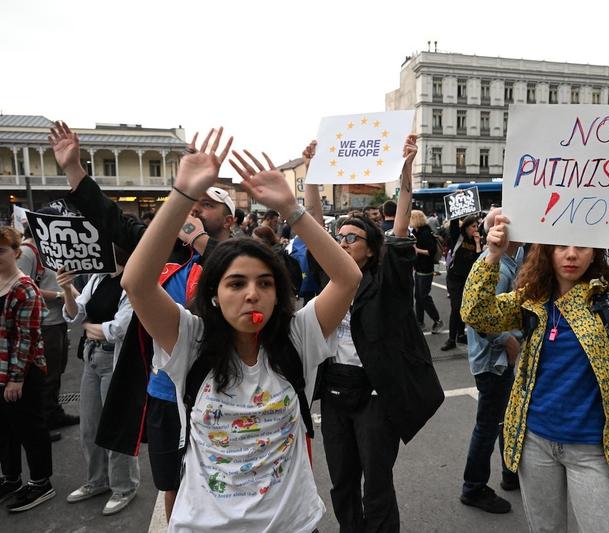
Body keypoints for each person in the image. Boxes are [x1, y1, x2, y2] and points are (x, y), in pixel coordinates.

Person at [122, 129, 362, 532]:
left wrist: (290, 207)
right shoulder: (190, 340)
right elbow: (137, 283)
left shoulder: (298, 337)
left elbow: (348, 278)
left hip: (295, 525)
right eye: (236, 284)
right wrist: (182, 194)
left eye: (265, 283)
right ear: (213, 295)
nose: (252, 294)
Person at [461, 158, 609, 533]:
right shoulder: (529, 304)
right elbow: (476, 312)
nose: (571, 254)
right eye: (561, 246)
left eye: (582, 246)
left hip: (593, 448)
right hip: (534, 442)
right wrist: (492, 255)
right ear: (547, 252)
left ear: (595, 253)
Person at [48, 120, 235, 521]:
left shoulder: (240, 258)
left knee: (221, 485)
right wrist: (74, 168)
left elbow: (236, 271)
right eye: (193, 203)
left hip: (218, 392)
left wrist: (200, 239)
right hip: (164, 391)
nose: (196, 210)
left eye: (207, 205)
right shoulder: (164, 250)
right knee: (170, 481)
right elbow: (111, 219)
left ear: (229, 219)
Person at [305, 136, 444, 532]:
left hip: (374, 396)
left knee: (377, 485)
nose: (342, 242)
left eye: (352, 238)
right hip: (335, 393)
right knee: (342, 482)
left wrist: (405, 170)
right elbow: (312, 221)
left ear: (370, 249)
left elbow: (400, 221)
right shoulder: (330, 279)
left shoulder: (389, 279)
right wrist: (312, 172)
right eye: (339, 237)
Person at [58, 252, 140, 515]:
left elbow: (117, 330)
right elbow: (75, 314)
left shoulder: (132, 280)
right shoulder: (98, 276)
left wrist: (87, 325)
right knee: (90, 426)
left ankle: (124, 486)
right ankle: (98, 480)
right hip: (91, 356)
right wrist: (67, 290)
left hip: (114, 360)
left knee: (115, 426)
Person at [460, 209, 522, 514]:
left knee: (504, 418)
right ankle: (473, 487)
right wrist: (507, 340)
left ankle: (510, 472)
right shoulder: (497, 265)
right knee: (488, 425)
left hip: (496, 360)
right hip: (492, 361)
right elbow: (479, 318)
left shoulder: (509, 260)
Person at [0, 226, 52, 512]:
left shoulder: (24, 288)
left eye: (1, 251)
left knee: (30, 428)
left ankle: (41, 482)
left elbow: (27, 338)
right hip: (1, 368)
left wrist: (16, 379)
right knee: (5, 429)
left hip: (23, 371)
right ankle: (11, 478)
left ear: (16, 252)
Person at [17, 217, 77, 440]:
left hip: (57, 320)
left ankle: (53, 413)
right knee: (46, 374)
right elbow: (23, 286)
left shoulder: (48, 250)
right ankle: (42, 423)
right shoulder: (27, 252)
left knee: (56, 371)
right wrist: (61, 295)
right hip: (44, 322)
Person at [442, 215, 482, 351]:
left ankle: (460, 334)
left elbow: (478, 261)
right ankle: (451, 339)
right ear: (466, 227)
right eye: (473, 226)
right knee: (456, 307)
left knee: (463, 307)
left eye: (477, 226)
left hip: (467, 279)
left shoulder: (476, 241)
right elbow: (454, 224)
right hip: (454, 278)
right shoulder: (458, 237)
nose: (476, 229)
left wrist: (478, 243)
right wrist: (457, 208)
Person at [411, 209, 443, 333]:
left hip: (426, 268)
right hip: (418, 267)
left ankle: (437, 320)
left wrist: (416, 250)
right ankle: (419, 322)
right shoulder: (416, 232)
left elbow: (431, 251)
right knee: (418, 296)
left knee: (424, 296)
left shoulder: (425, 233)